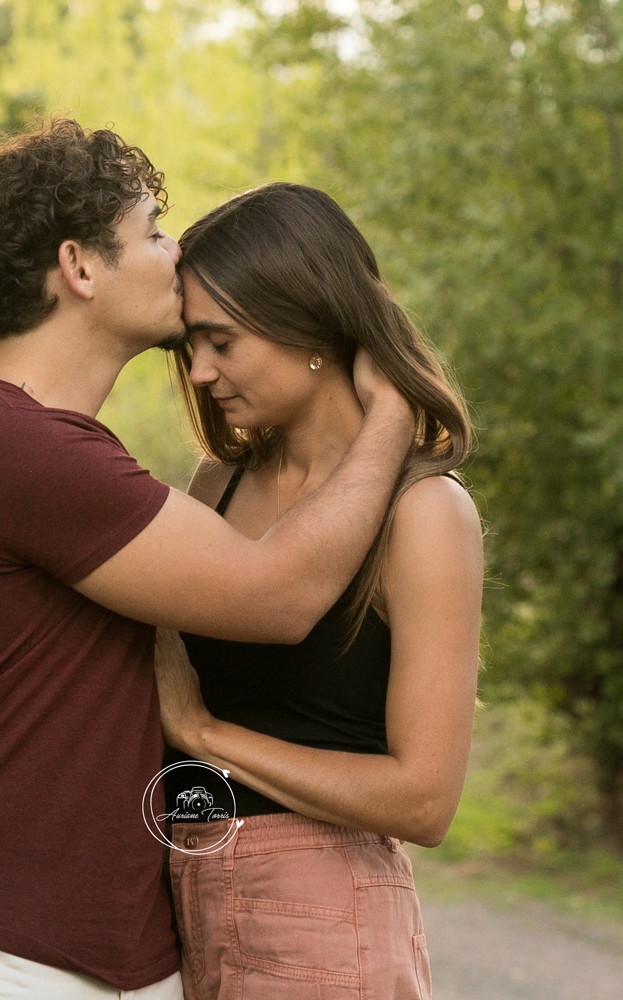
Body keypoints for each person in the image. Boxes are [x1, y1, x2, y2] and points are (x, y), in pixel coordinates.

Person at [0, 122, 418, 1000]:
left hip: (79, 951)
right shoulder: (13, 445)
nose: (176, 251)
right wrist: (390, 417)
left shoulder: (40, 443)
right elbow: (278, 595)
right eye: (153, 230)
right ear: (80, 267)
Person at [153, 182, 484, 1000]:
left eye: (221, 342)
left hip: (324, 925)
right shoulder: (220, 481)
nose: (200, 372)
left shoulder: (426, 514)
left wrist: (205, 732)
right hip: (184, 896)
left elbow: (425, 798)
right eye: (190, 344)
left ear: (310, 326)